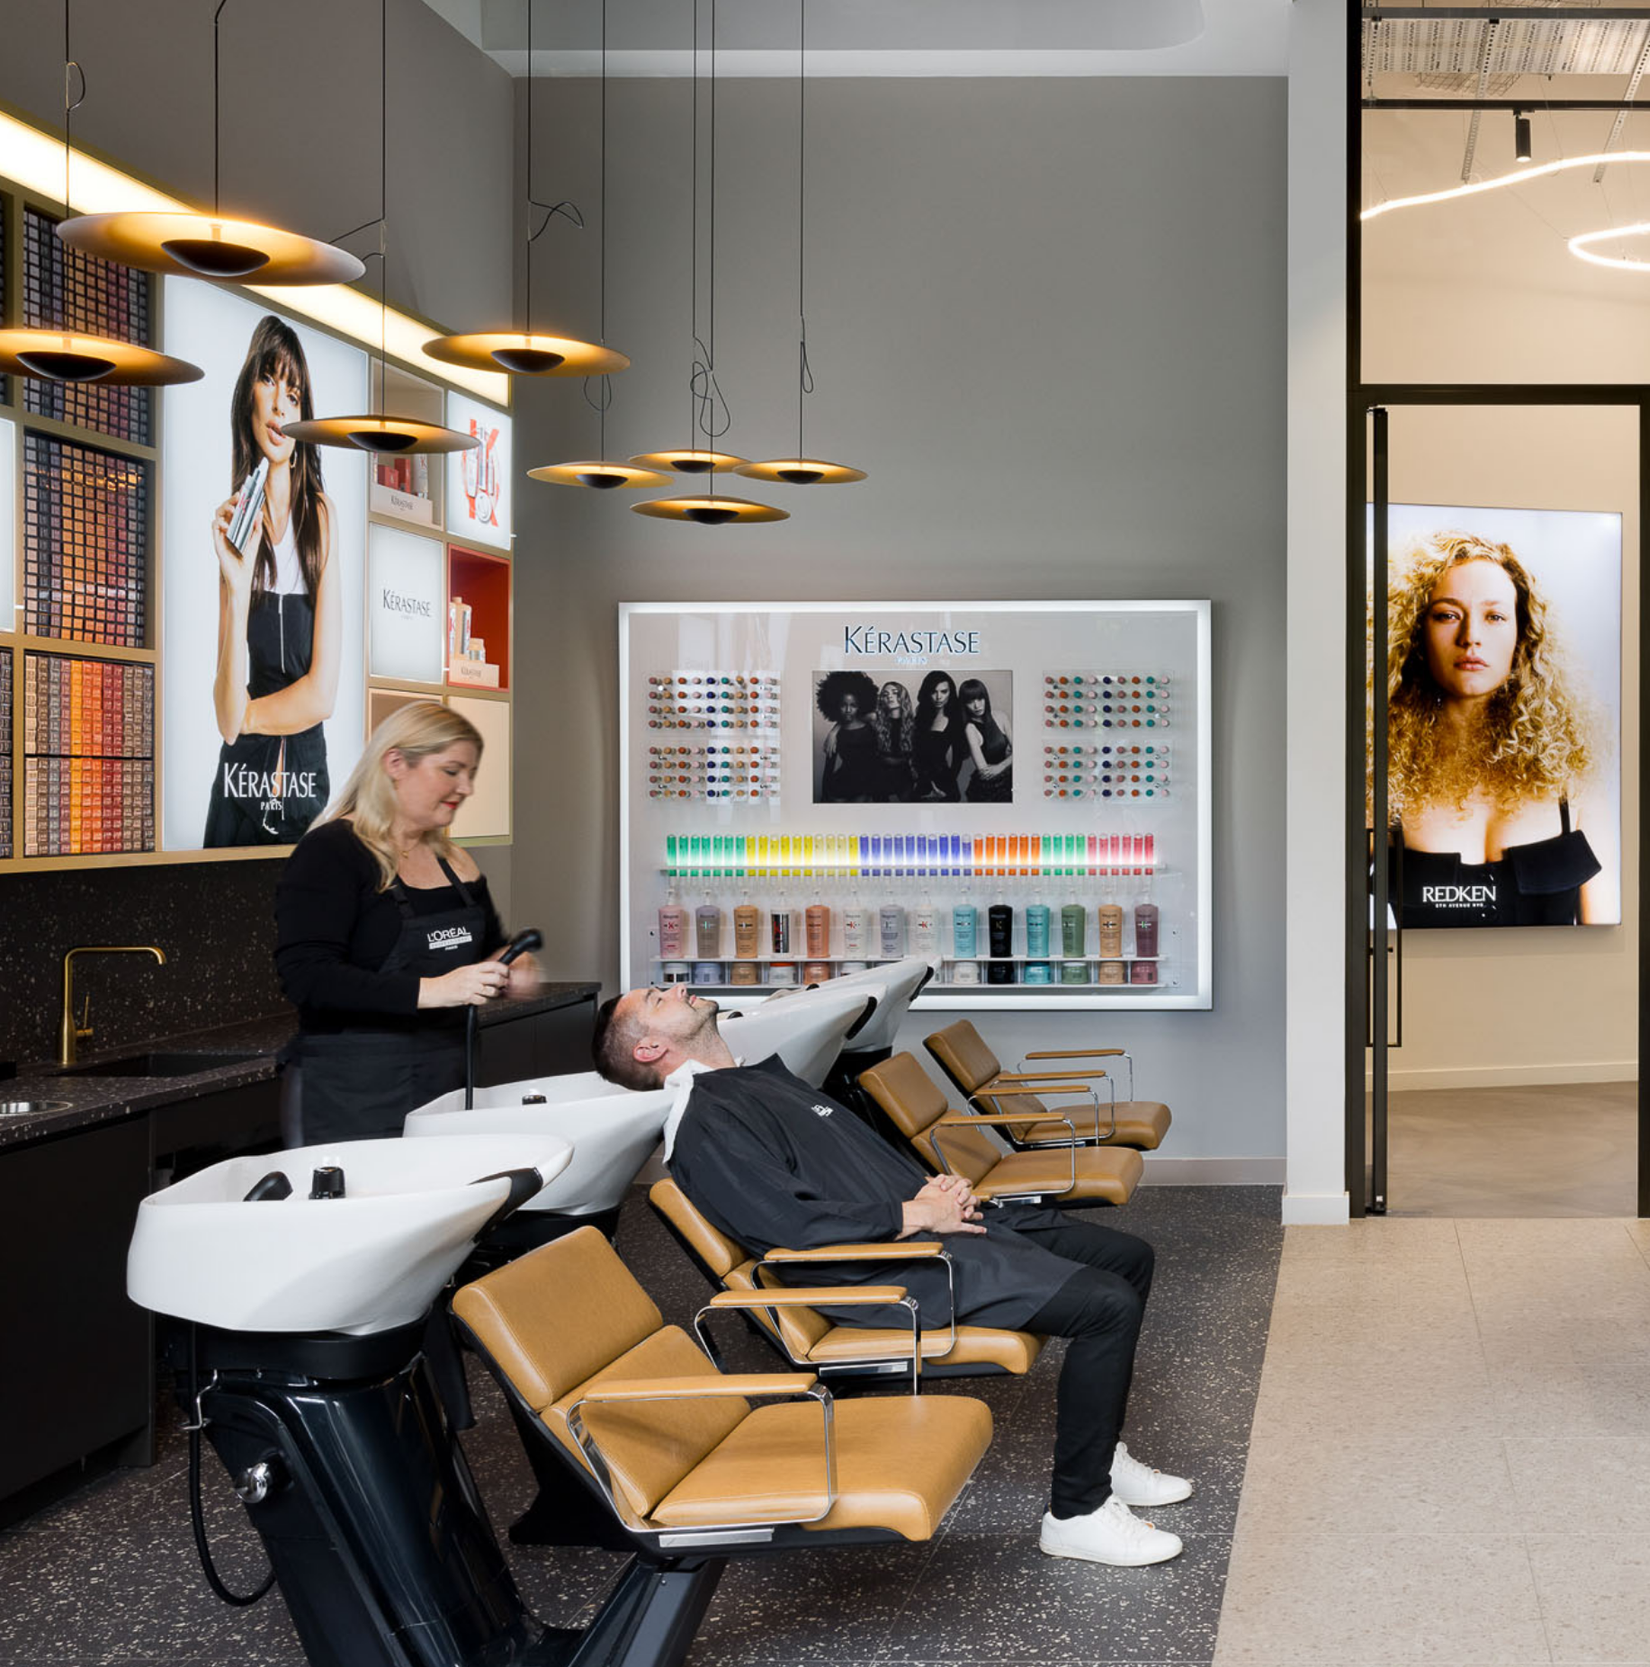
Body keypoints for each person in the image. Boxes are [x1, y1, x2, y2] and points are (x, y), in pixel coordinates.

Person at [590, 985, 1194, 1566]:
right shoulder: (703, 1120)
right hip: (882, 1269)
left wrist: (935, 1190)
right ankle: (1077, 1513)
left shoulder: (756, 1080)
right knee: (1106, 1305)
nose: (672, 987)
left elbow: (856, 1170)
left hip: (922, 1228)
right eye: (654, 998)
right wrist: (918, 1214)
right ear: (648, 1049)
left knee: (1126, 1257)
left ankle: (1102, 1452)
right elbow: (788, 1226)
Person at [272, 703, 541, 1144]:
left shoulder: (454, 860)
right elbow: (307, 977)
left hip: (447, 1084)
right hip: (352, 1094)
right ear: (395, 763)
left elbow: (489, 946)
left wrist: (511, 966)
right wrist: (434, 990)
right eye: (451, 771)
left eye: (470, 773)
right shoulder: (332, 853)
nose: (466, 787)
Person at [1372, 532, 1616, 927]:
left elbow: (1606, 942)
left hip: (1557, 990)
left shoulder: (1574, 777)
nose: (1471, 637)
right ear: (1416, 634)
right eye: (1448, 614)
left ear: (1523, 636)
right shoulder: (1381, 779)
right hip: (1422, 992)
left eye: (1495, 616)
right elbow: (1330, 925)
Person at [206, 315, 344, 846]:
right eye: (269, 381)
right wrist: (238, 584)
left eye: (295, 391)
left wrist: (246, 715)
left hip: (304, 794)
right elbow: (223, 716)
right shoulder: (233, 525)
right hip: (237, 795)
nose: (282, 404)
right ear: (250, 398)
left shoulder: (322, 519)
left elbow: (322, 695)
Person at [814, 671, 880, 803]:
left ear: (860, 706)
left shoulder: (871, 726)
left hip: (865, 786)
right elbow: (829, 768)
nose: (848, 710)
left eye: (853, 705)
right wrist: (824, 794)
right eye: (844, 705)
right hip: (840, 786)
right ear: (836, 706)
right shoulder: (836, 735)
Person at [911, 671, 965, 801]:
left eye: (944, 691)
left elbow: (958, 759)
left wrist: (946, 788)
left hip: (943, 785)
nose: (938, 697)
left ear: (950, 692)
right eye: (934, 692)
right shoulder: (921, 713)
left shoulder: (955, 718)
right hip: (921, 782)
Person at [960, 677, 1013, 802]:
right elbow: (984, 772)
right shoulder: (970, 728)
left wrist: (1000, 766)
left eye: (980, 698)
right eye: (970, 701)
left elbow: (1022, 750)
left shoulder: (1001, 716)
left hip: (1010, 779)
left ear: (986, 698)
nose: (976, 705)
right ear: (964, 704)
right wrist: (1012, 759)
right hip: (989, 788)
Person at [870, 680, 915, 800]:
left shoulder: (913, 723)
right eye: (885, 694)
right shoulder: (876, 718)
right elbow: (851, 717)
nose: (889, 696)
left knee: (909, 810)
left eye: (895, 693)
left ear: (903, 696)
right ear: (882, 700)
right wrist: (834, 732)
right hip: (880, 773)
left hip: (904, 773)